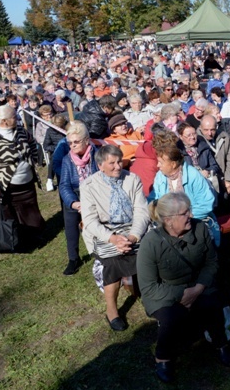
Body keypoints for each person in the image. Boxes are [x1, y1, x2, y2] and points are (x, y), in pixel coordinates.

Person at [137, 192, 230, 383]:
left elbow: (211, 262)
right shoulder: (151, 243)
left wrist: (197, 289)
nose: (190, 215)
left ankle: (221, 343)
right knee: (171, 317)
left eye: (189, 210)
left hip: (197, 284)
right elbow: (149, 287)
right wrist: (181, 295)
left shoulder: (200, 229)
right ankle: (163, 357)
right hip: (164, 291)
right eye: (185, 213)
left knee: (212, 304)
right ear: (168, 220)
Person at [80, 145, 150, 330]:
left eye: (119, 161)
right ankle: (112, 310)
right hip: (105, 232)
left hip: (132, 228)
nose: (118, 166)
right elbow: (90, 220)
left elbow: (141, 211)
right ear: (100, 165)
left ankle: (152, 296)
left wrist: (134, 236)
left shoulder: (132, 178)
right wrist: (113, 238)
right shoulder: (89, 185)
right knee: (112, 261)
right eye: (112, 163)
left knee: (152, 250)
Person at [0, 105, 45, 249]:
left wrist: (33, 159)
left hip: (26, 185)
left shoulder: (20, 131)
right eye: (14, 116)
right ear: (5, 121)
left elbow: (32, 142)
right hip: (5, 188)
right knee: (9, 215)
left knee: (31, 213)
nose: (18, 118)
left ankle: (34, 237)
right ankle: (12, 241)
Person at [59, 121, 98, 275]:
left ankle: (100, 253)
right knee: (70, 224)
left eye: (76, 142)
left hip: (95, 194)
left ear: (86, 140)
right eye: (70, 143)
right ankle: (73, 259)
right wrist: (74, 203)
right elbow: (64, 185)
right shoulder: (67, 160)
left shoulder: (97, 154)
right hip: (75, 195)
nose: (72, 146)